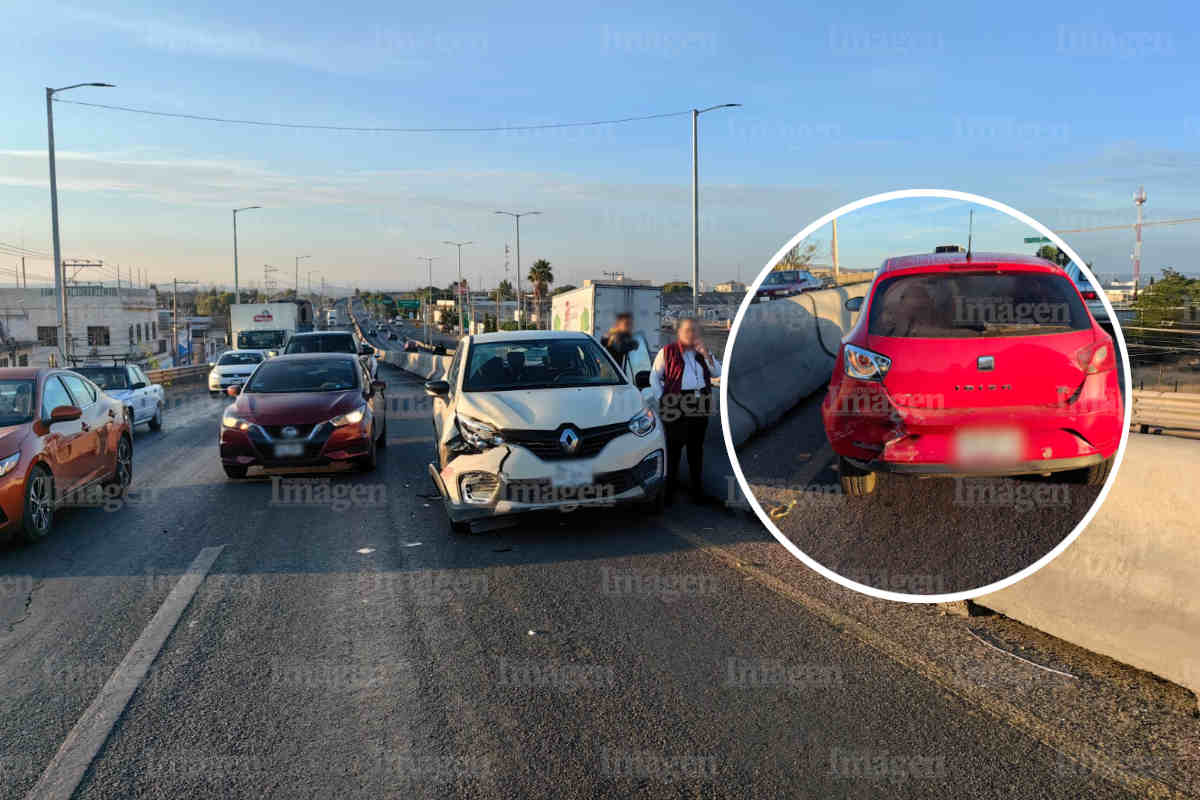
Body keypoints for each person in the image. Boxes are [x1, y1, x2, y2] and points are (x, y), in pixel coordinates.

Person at [650, 317, 721, 505]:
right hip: (676, 403)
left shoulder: (702, 352)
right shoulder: (668, 352)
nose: (692, 334)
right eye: (688, 330)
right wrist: (663, 400)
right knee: (674, 450)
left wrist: (706, 354)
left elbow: (717, 373)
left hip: (700, 403)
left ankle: (697, 491)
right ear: (679, 333)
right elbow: (654, 378)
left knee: (696, 450)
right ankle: (669, 493)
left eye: (695, 330)